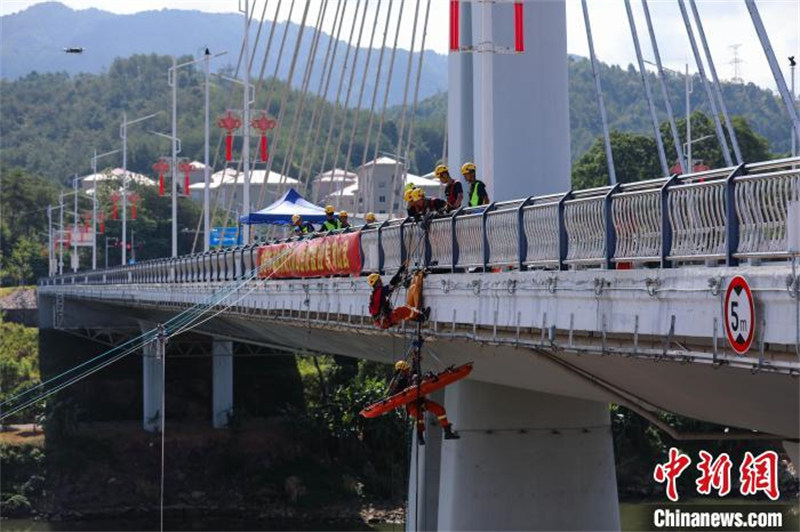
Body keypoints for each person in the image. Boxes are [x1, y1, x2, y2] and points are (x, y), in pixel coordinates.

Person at [389, 360, 460, 445]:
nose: (408, 371)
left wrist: (416, 360)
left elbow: (415, 370)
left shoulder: (410, 376)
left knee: (439, 409)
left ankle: (447, 432)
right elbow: (394, 395)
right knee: (419, 415)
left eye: (408, 370)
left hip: (420, 401)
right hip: (410, 404)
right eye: (406, 370)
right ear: (401, 371)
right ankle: (420, 436)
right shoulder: (397, 382)